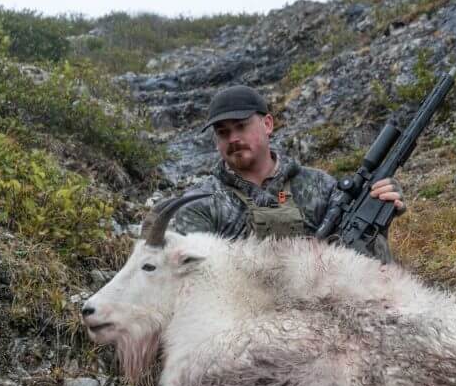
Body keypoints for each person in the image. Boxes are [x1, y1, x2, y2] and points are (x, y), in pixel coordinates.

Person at [171, 85, 405, 263]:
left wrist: (380, 209)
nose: (233, 138)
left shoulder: (320, 185)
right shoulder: (198, 204)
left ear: (268, 124)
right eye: (223, 133)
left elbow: (361, 252)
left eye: (241, 126)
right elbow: (196, 282)